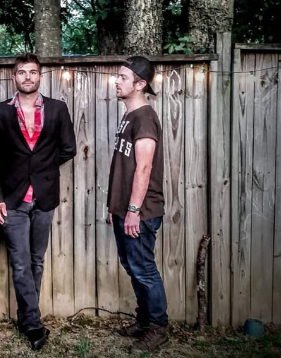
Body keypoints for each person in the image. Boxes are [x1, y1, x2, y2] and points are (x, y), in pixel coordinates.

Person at [0, 53, 76, 351]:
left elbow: (68, 148)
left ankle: (27, 317)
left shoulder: (57, 109)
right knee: (21, 263)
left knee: (36, 260)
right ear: (14, 77)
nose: (27, 77)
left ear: (40, 76)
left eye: (33, 72)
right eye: (22, 72)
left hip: (44, 197)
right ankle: (34, 325)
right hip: (12, 200)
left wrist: (42, 168)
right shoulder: (0, 112)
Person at [107, 56, 168, 354]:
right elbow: (125, 166)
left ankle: (158, 328)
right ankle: (144, 321)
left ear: (140, 84)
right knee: (133, 267)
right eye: (117, 76)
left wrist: (133, 211)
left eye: (123, 77)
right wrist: (115, 207)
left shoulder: (144, 117)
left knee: (143, 269)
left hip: (140, 212)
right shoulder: (130, 115)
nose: (116, 81)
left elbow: (144, 168)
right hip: (124, 209)